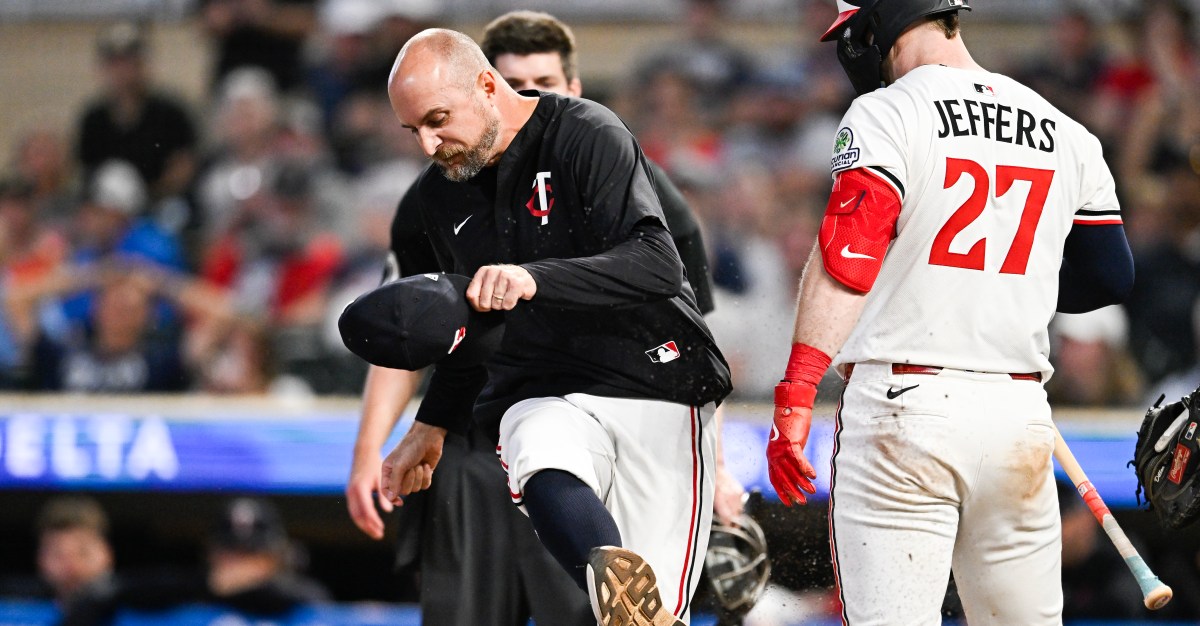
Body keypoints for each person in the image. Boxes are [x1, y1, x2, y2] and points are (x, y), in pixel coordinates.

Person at [345, 12, 742, 625]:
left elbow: (659, 265)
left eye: (436, 120)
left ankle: (635, 602)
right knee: (533, 439)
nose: (427, 144)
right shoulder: (438, 193)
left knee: (654, 621)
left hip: (656, 382)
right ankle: (609, 566)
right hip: (544, 383)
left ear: (484, 86)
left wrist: (536, 277)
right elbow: (471, 328)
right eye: (412, 129)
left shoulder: (588, 131)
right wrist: (432, 425)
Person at [766, 1, 1134, 624]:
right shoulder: (1067, 130)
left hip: (902, 412)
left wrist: (797, 392)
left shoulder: (888, 110)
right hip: (1017, 413)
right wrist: (1004, 294)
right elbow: (1110, 275)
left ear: (876, 22)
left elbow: (848, 259)